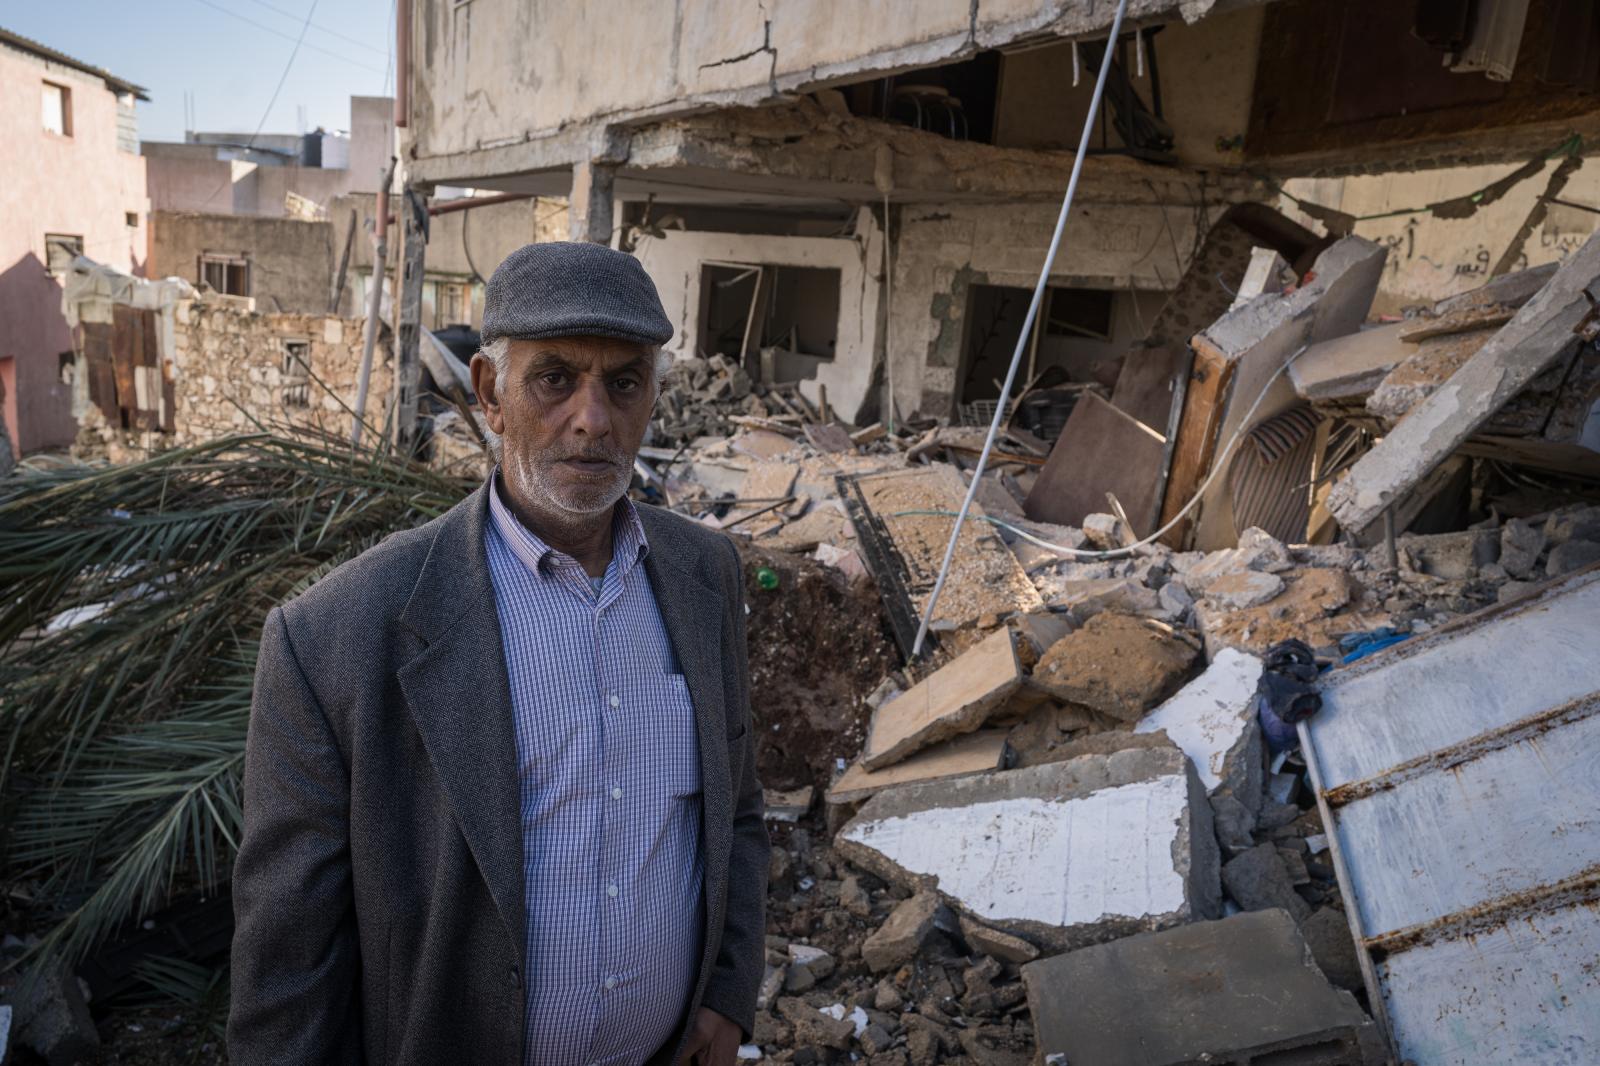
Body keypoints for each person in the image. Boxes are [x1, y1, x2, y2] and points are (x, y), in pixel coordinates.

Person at [228, 242, 767, 1065]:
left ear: (653, 395)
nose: (592, 418)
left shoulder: (703, 574)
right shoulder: (336, 637)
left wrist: (726, 993)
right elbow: (287, 967)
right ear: (490, 393)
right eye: (555, 379)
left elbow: (736, 813)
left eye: (624, 382)